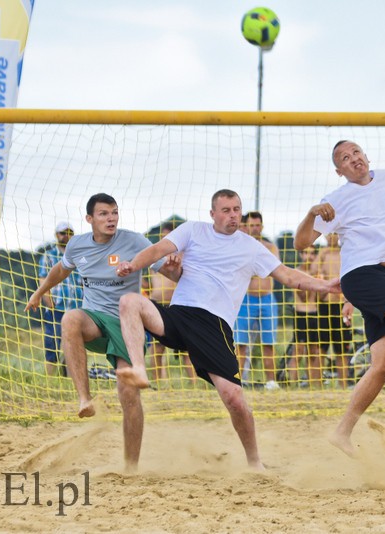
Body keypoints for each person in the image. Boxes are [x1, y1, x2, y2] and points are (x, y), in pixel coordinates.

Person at [115, 189, 341, 469]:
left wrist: (326, 285)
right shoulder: (193, 230)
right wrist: (131, 265)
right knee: (129, 301)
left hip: (214, 326)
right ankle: (139, 368)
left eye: (237, 209)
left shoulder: (252, 247)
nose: (233, 215)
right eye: (226, 210)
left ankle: (254, 461)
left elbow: (288, 276)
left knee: (234, 399)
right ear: (213, 214)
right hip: (179, 314)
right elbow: (157, 250)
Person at [25, 193, 172, 471]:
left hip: (126, 324)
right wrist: (39, 292)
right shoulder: (78, 245)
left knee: (128, 394)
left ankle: (131, 466)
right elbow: (61, 270)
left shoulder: (135, 241)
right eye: (104, 214)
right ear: (89, 219)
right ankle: (84, 399)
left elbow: (165, 267)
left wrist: (176, 270)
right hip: (94, 319)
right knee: (70, 318)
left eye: (114, 212)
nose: (111, 218)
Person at [295, 140, 385, 451]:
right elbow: (301, 244)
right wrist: (311, 214)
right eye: (345, 158)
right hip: (361, 275)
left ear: (366, 156)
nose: (354, 159)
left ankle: (342, 432)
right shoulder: (336, 200)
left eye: (356, 153)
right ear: (339, 170)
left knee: (384, 363)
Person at [234, 211, 280, 390]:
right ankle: (238, 381)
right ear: (246, 226)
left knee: (269, 343)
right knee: (241, 343)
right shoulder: (240, 246)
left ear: (262, 226)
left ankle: (271, 382)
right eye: (251, 225)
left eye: (257, 225)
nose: (255, 228)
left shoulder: (270, 247)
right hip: (246, 299)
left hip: (267, 299)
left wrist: (254, 269)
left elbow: (273, 269)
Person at [146, 222, 195, 385]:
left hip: (181, 306)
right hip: (158, 305)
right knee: (157, 348)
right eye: (165, 237)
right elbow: (146, 282)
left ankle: (194, 384)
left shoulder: (185, 257)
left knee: (187, 350)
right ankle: (159, 383)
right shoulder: (154, 257)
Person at [37, 221, 83, 376]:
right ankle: (50, 379)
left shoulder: (79, 256)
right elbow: (43, 279)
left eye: (70, 232)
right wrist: (48, 301)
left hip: (76, 307)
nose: (67, 236)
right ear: (57, 235)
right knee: (52, 341)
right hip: (57, 306)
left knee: (75, 342)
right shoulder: (49, 256)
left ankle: (70, 376)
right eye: (63, 233)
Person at [316, 232, 353, 387]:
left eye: (335, 234)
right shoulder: (322, 254)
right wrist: (322, 254)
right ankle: (316, 384)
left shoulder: (346, 252)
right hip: (324, 305)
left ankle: (343, 385)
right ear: (324, 236)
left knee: (342, 348)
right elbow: (312, 271)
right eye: (328, 234)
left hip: (342, 305)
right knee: (321, 347)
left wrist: (349, 300)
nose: (332, 237)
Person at [287, 245, 322, 386]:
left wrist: (320, 281)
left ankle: (314, 384)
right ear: (301, 255)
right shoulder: (297, 272)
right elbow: (303, 296)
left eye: (312, 253)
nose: (309, 256)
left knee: (314, 351)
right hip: (301, 314)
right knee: (298, 351)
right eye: (306, 253)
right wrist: (313, 280)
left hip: (314, 313)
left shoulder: (317, 272)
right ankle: (293, 384)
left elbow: (322, 296)